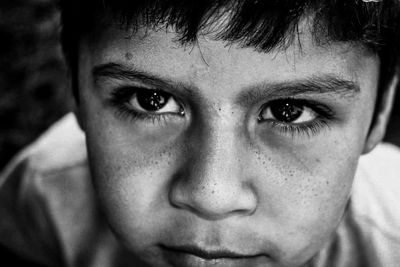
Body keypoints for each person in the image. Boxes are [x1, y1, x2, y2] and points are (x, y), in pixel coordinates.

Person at [1, 0, 400, 266]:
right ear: (76, 91)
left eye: (288, 111)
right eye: (151, 100)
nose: (212, 196)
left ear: (379, 112)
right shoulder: (41, 200)